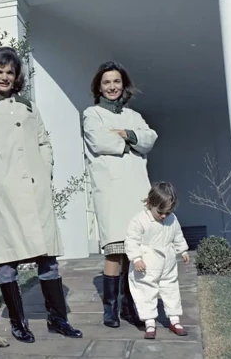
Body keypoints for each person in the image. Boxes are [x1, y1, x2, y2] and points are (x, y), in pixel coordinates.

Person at [0, 46, 82, 344]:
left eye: (10, 72)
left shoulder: (29, 107)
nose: (4, 76)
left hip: (35, 192)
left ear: (17, 77)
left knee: (48, 258)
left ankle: (58, 319)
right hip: (3, 196)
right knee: (7, 260)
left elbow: (44, 142)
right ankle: (18, 323)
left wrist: (45, 169)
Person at [82, 61, 158, 328]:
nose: (112, 87)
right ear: (99, 87)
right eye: (106, 82)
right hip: (111, 189)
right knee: (115, 250)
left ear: (123, 85)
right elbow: (99, 141)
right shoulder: (92, 114)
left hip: (138, 187)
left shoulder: (133, 116)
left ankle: (131, 304)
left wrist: (126, 134)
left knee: (135, 250)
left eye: (116, 82)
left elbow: (150, 139)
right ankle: (111, 309)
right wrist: (132, 143)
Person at [124, 182, 190, 339]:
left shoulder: (171, 219)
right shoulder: (139, 220)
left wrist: (183, 249)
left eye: (167, 213)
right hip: (146, 264)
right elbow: (131, 240)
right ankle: (149, 322)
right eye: (160, 212)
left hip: (167, 262)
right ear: (149, 203)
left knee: (171, 289)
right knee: (146, 292)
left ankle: (175, 319)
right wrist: (136, 258)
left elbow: (177, 234)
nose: (163, 216)